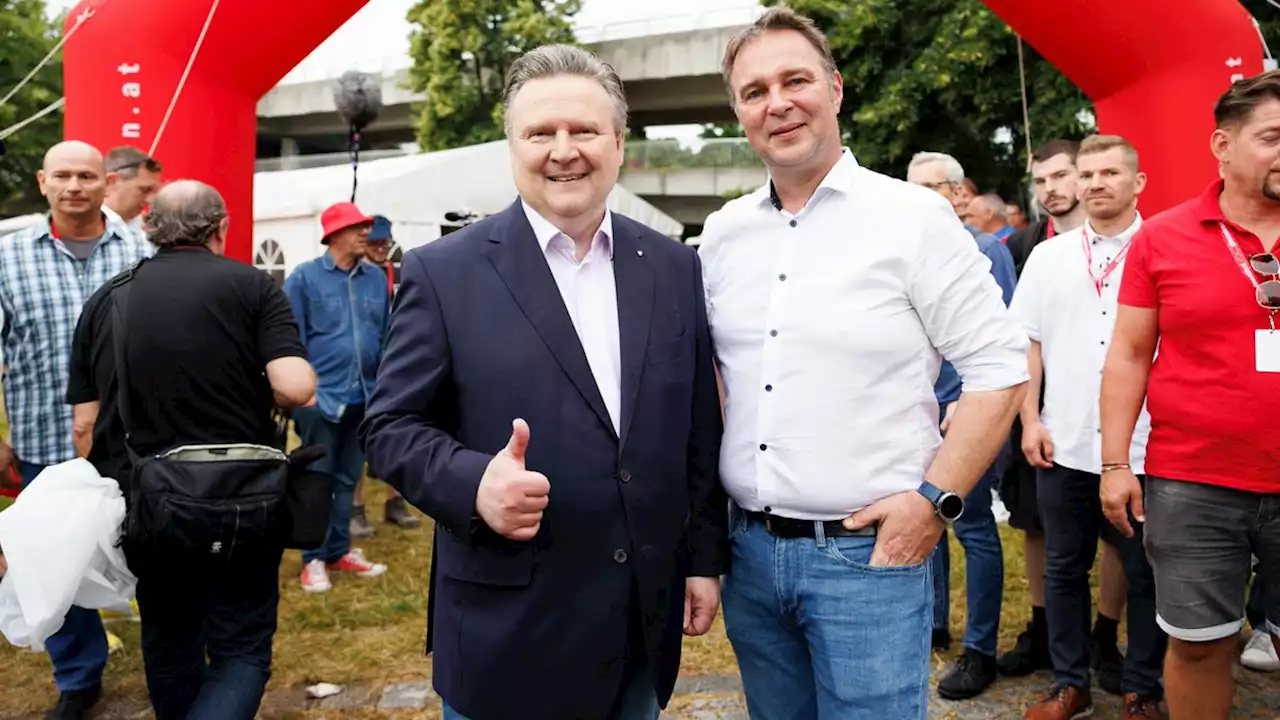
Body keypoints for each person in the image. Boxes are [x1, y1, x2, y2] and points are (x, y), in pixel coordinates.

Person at [360, 44, 727, 720]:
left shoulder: (675, 269)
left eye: (584, 130)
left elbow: (698, 431)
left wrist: (703, 560)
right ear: (512, 147)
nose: (564, 151)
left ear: (618, 144)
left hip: (637, 628)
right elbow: (390, 428)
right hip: (509, 632)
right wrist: (473, 483)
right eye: (540, 133)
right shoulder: (445, 273)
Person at [701, 10, 1028, 718]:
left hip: (867, 560)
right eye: (755, 91)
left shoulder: (911, 218)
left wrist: (934, 503)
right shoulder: (722, 236)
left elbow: (999, 366)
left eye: (796, 80)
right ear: (739, 113)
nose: (777, 102)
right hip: (750, 557)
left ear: (837, 89)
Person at [66, 180, 316, 720]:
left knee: (168, 637)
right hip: (245, 504)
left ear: (149, 228)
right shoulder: (253, 287)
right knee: (242, 645)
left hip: (150, 505)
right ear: (221, 229)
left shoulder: (108, 299)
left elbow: (85, 426)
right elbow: (297, 388)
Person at [1101, 70, 1280, 720]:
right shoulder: (1163, 237)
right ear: (1222, 145)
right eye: (1273, 137)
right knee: (1200, 646)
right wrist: (1117, 464)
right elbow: (1126, 355)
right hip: (1193, 482)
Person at [1013, 135, 1166, 720]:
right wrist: (1030, 419)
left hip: (1147, 446)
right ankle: (1069, 682)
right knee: (1062, 569)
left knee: (1146, 572)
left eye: (1110, 172)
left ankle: (1142, 688)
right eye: (1087, 173)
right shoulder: (1050, 257)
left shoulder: (1163, 247)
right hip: (1064, 439)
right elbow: (1027, 341)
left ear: (1138, 182)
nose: (1095, 182)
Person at [0, 140, 150, 719]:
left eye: (87, 176)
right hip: (46, 439)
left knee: (152, 550)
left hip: (136, 440)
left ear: (107, 184)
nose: (75, 187)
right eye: (62, 175)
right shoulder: (9, 258)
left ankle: (174, 653)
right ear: (43, 182)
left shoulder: (141, 251)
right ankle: (78, 676)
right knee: (54, 562)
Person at [999, 139, 1130, 687]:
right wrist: (1029, 418)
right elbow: (1020, 337)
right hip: (1054, 428)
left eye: (1062, 175)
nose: (1053, 187)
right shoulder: (1033, 248)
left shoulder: (1150, 245)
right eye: (1041, 180)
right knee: (1051, 546)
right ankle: (1057, 657)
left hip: (1132, 436)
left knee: (1130, 551)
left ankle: (1116, 652)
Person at [907, 151, 1016, 700]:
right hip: (916, 416)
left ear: (957, 193)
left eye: (933, 186)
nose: (923, 196)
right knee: (926, 521)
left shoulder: (983, 250)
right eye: (913, 187)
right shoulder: (903, 246)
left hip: (964, 416)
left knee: (972, 529)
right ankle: (933, 622)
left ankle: (980, 648)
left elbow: (997, 346)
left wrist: (959, 403)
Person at [284, 201, 390, 593]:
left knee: (348, 478)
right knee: (316, 480)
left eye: (366, 225)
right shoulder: (304, 279)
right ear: (334, 235)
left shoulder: (376, 280)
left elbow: (387, 334)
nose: (366, 232)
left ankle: (338, 551)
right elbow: (290, 341)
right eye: (357, 227)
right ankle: (312, 559)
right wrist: (303, 395)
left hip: (365, 398)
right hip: (319, 399)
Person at [348, 214, 419, 537]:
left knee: (396, 436)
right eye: (374, 243)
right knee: (356, 442)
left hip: (393, 368)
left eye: (385, 243)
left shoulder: (397, 271)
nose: (380, 249)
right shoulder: (355, 276)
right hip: (360, 372)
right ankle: (356, 507)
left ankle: (395, 501)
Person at [103, 146, 163, 241]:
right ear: (111, 182)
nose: (150, 200)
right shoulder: (81, 229)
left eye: (154, 191)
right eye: (144, 189)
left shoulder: (152, 234)